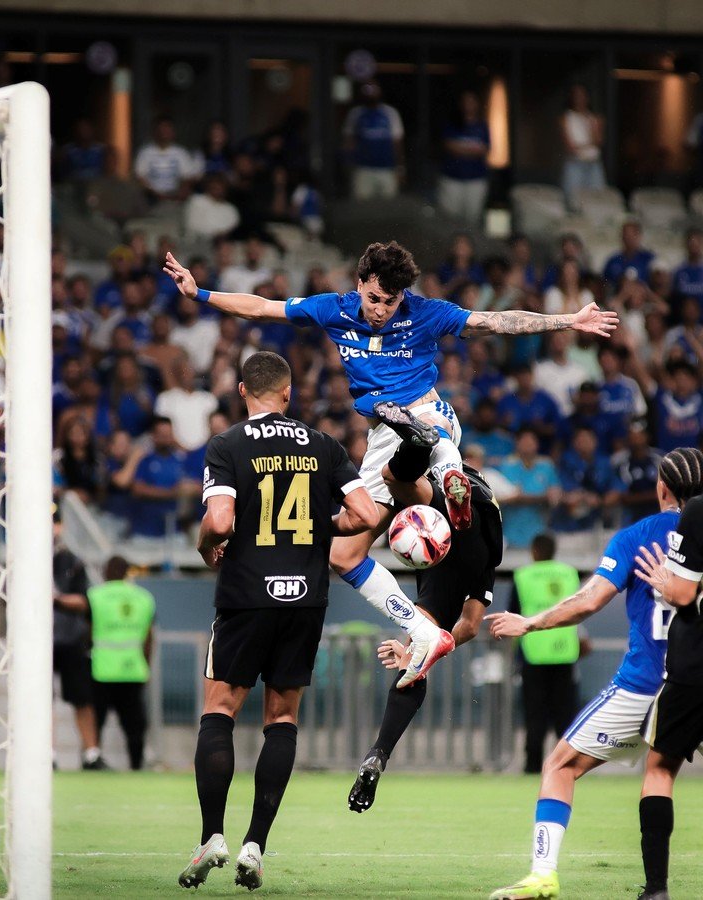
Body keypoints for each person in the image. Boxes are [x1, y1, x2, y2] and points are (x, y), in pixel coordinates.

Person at [163, 241, 617, 686]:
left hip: (424, 413)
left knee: (411, 461)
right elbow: (262, 307)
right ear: (360, 283)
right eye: (375, 298)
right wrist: (199, 293)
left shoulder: (425, 312)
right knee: (345, 553)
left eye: (391, 301)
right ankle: (434, 553)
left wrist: (568, 320)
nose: (381, 309)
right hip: (388, 434)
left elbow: (495, 321)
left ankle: (443, 480)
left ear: (404, 295)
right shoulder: (334, 308)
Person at [177, 351, 379, 890]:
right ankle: (255, 846)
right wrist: (318, 526)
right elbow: (367, 515)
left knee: (219, 708)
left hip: (245, 595)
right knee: (282, 718)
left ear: (244, 392)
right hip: (305, 599)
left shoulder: (227, 445)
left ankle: (212, 836)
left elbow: (219, 520)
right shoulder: (324, 444)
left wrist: (205, 546)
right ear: (289, 394)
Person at [485, 447, 703, 900]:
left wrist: (529, 623)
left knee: (559, 764)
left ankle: (544, 875)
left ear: (661, 487)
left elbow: (588, 602)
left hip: (644, 684)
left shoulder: (636, 537)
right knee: (662, 771)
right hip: (695, 682)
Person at [347, 401, 502, 812]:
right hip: (482, 543)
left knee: (393, 480)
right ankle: (378, 753)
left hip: (437, 519)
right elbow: (470, 625)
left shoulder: (444, 442)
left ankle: (382, 749)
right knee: (418, 653)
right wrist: (434, 647)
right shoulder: (478, 488)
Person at [632, 479, 703, 900]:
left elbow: (682, 591)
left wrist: (663, 579)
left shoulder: (696, 511)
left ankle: (656, 889)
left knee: (660, 768)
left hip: (695, 667)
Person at [509, 534, 583, 774]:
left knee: (535, 715)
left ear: (534, 551)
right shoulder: (569, 573)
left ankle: (532, 767)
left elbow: (513, 615)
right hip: (565, 652)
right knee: (566, 715)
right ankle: (567, 766)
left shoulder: (523, 576)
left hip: (534, 653)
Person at [88, 556, 155, 771]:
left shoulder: (95, 596)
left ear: (106, 572)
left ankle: (91, 759)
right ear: (127, 573)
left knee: (96, 722)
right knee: (134, 726)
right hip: (133, 670)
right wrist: (146, 666)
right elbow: (148, 638)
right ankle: (136, 767)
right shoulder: (144, 598)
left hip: (102, 669)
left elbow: (87, 632)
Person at [52, 506, 106, 770]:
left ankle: (91, 753)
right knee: (39, 698)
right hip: (38, 640)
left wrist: (56, 599)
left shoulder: (70, 560)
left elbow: (85, 600)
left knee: (83, 698)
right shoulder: (23, 560)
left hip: (71, 638)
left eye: (55, 523)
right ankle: (46, 753)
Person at [342, 82, 405, 201]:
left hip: (387, 168)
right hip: (363, 169)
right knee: (362, 206)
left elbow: (397, 142)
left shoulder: (390, 113)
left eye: (374, 90)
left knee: (388, 206)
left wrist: (400, 168)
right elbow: (349, 141)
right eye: (368, 91)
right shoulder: (356, 113)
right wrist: (348, 166)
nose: (371, 94)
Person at [437, 90, 490, 228]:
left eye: (471, 101)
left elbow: (485, 149)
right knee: (449, 218)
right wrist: (472, 149)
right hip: (452, 178)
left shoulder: (482, 125)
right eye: (466, 102)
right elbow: (449, 146)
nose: (468, 105)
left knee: (472, 218)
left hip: (475, 179)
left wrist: (461, 148)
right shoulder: (452, 123)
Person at [559, 84, 605, 206]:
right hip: (575, 163)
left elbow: (598, 141)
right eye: (576, 96)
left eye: (582, 95)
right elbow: (570, 147)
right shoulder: (567, 117)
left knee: (597, 200)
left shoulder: (593, 118)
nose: (580, 99)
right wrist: (589, 144)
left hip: (593, 163)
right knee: (572, 200)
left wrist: (593, 128)